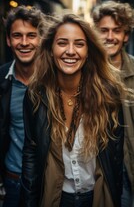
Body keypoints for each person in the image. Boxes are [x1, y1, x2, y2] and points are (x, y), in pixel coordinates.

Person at [21, 12, 126, 207]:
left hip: (98, 198)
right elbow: (31, 155)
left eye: (79, 44)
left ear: (88, 51)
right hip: (55, 198)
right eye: (62, 43)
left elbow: (116, 159)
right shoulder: (36, 95)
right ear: (51, 49)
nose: (71, 51)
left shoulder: (108, 96)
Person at [0, 5, 46, 207]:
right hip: (13, 182)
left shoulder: (55, 80)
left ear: (41, 40)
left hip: (49, 182)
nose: (25, 42)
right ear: (9, 40)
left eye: (31, 35)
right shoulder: (2, 79)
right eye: (17, 36)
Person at [91, 0, 134, 207]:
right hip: (97, 169)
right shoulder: (86, 71)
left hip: (129, 167)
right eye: (104, 30)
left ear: (125, 35)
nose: (110, 37)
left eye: (116, 31)